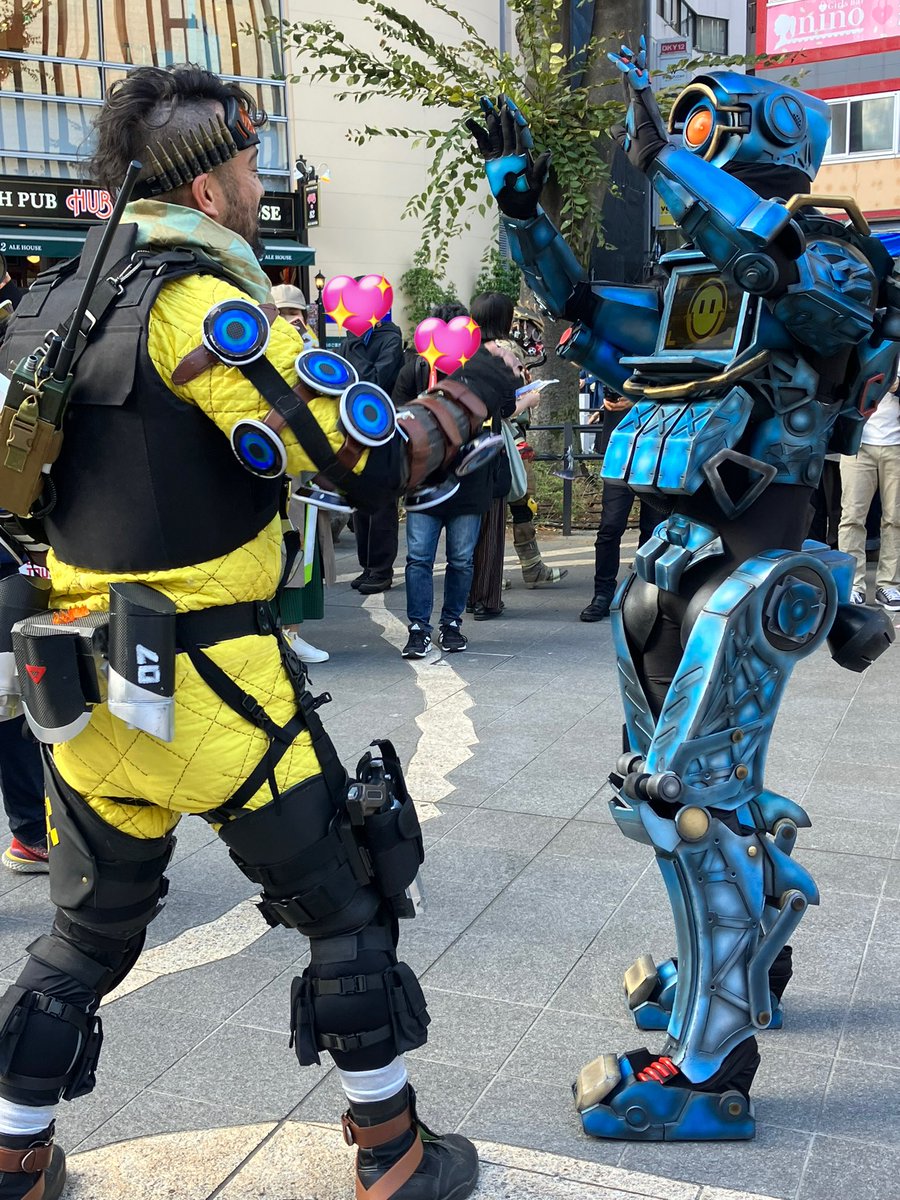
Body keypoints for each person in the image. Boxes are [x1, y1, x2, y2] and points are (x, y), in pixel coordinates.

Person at [0, 64, 513, 1200]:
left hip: (83, 686)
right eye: (245, 163)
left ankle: (14, 1156)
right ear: (208, 186)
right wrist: (479, 387)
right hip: (215, 687)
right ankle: (393, 1155)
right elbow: (366, 459)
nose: (255, 183)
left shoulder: (45, 302)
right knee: (348, 905)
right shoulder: (194, 306)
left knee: (85, 937)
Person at [469, 54, 899, 1142]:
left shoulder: (830, 261)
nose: (683, 141)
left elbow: (777, 266)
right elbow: (585, 309)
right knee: (668, 796)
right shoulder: (699, 286)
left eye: (703, 126)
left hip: (756, 568)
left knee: (687, 801)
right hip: (673, 557)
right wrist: (523, 211)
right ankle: (745, 950)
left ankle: (710, 1064)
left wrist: (669, 165)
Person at [401, 305, 516, 657]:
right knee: (419, 558)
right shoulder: (417, 368)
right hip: (424, 480)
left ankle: (451, 624)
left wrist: (505, 366)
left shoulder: (483, 369)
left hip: (469, 477)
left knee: (461, 559)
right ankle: (419, 628)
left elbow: (505, 406)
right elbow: (396, 413)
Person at [466, 291, 548, 618]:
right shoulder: (503, 352)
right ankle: (490, 593)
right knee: (501, 513)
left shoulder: (463, 350)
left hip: (464, 444)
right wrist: (530, 398)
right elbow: (506, 405)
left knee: (470, 522)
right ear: (505, 319)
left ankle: (470, 592)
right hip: (498, 442)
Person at [341, 307, 405, 595]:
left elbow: (373, 381)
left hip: (383, 428)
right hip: (354, 428)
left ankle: (381, 569)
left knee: (381, 502)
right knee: (359, 500)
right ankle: (367, 565)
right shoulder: (350, 339)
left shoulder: (390, 338)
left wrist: (355, 345)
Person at [580, 386, 656, 622]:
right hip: (619, 447)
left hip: (655, 444)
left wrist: (636, 399)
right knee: (610, 526)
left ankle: (646, 594)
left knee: (652, 528)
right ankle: (602, 594)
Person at [837, 373, 900, 609]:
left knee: (895, 518)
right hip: (858, 443)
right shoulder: (862, 352)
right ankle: (853, 584)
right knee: (852, 517)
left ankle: (889, 584)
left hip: (896, 445)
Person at [270, 282, 317, 349]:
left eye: (293, 314)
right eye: (279, 315)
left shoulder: (311, 340)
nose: (287, 319)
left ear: (304, 317)